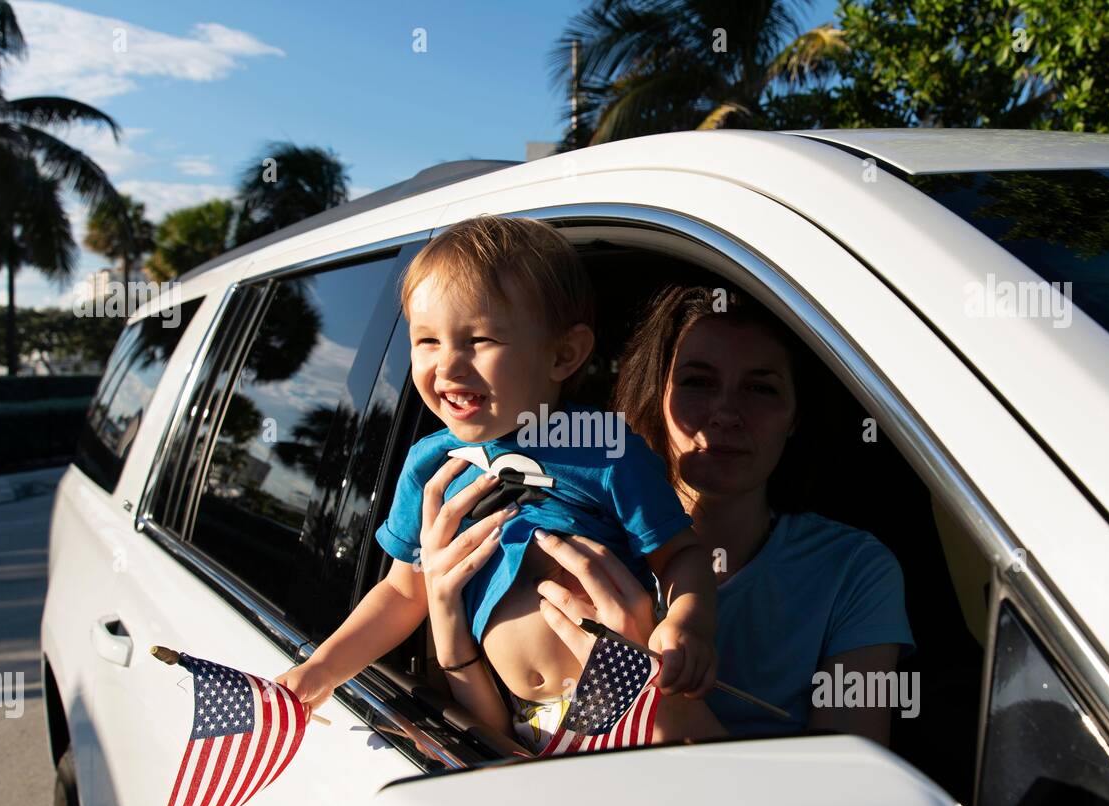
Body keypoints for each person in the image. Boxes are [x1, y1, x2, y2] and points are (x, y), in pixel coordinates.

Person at [276, 217, 724, 749]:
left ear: (563, 354)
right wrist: (323, 669)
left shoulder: (604, 448)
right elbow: (402, 591)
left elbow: (680, 555)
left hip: (625, 711)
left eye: (479, 339)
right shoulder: (431, 464)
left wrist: (687, 623)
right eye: (426, 341)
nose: (447, 364)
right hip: (515, 722)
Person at [535, 285, 915, 745]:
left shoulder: (855, 569)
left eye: (760, 388)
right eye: (698, 381)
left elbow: (852, 797)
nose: (725, 413)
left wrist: (648, 687)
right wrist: (457, 654)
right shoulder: (580, 540)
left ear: (796, 415)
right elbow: (538, 739)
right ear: (658, 395)